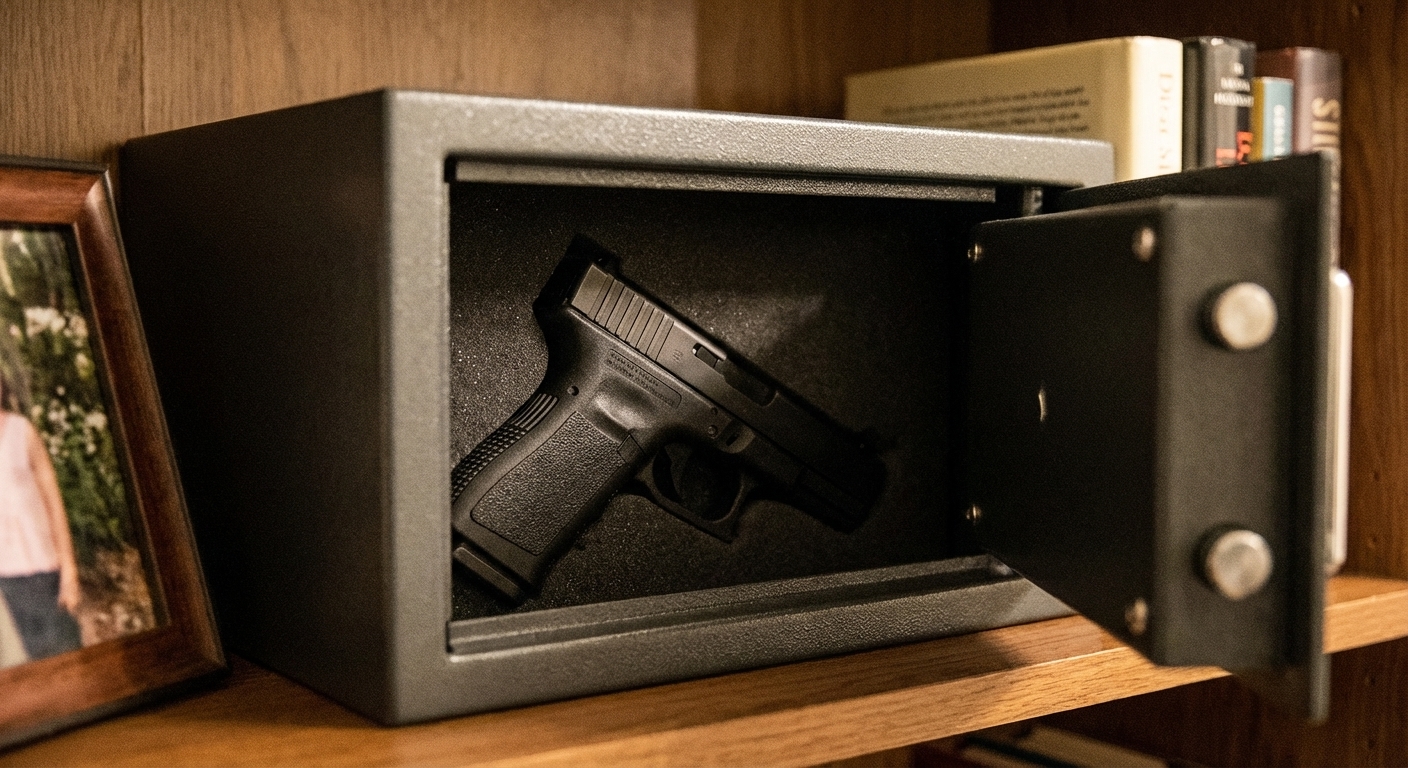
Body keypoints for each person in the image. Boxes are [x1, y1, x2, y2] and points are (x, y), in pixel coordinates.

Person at [0, 336, 82, 661]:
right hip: (7, 581)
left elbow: (53, 500)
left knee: (72, 661)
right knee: (36, 670)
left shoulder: (23, 432)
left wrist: (70, 571)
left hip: (46, 571)